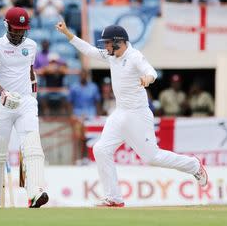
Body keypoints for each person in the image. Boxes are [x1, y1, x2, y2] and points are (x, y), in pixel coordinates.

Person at [55, 21, 208, 207]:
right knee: (101, 149)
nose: (105, 46)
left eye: (108, 42)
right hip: (120, 113)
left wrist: (147, 78)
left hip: (138, 115)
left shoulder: (135, 56)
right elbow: (89, 50)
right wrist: (67, 33)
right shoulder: (112, 56)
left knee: (152, 158)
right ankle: (114, 198)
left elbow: (151, 71)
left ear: (119, 42)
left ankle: (193, 165)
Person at [0, 7, 48, 208]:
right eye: (15, 29)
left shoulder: (31, 45)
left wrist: (33, 95)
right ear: (6, 25)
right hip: (3, 103)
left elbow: (30, 72)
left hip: (26, 102)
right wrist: (3, 93)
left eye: (22, 30)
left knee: (32, 146)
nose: (19, 34)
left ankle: (35, 192)